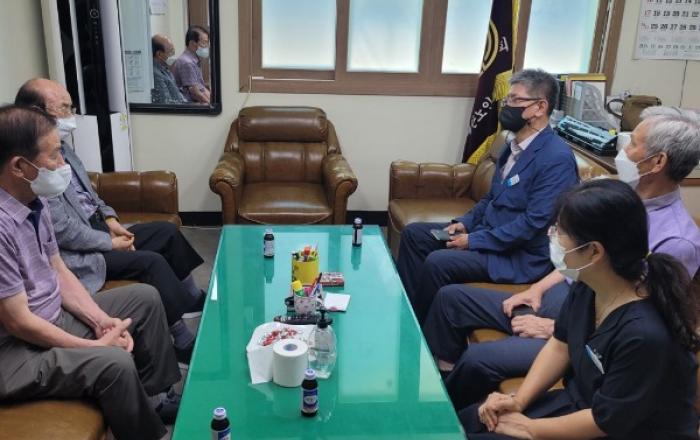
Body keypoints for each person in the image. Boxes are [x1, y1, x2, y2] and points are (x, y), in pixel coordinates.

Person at [424, 105, 700, 410]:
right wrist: (537, 288)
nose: (623, 150)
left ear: (658, 161)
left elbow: (636, 321)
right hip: (565, 299)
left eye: (633, 143)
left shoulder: (678, 241)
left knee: (479, 358)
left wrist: (553, 327)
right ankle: (437, 389)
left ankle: (446, 418)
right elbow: (581, 257)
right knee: (451, 300)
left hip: (588, 332)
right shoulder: (620, 196)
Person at [461, 178, 699, 439]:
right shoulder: (588, 285)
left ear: (594, 251)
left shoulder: (645, 335)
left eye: (560, 231)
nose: (552, 237)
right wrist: (519, 401)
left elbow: (605, 421)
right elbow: (560, 345)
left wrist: (528, 428)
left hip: (622, 430)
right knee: (469, 421)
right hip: (583, 405)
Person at [0, 105, 181, 440]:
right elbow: (19, 323)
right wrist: (94, 346)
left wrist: (101, 321)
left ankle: (154, 400)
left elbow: (58, 270)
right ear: (19, 166)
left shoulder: (34, 201)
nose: (63, 165)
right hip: (13, 351)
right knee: (114, 362)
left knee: (145, 298)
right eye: (54, 155)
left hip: (51, 317)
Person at [14, 78, 205, 363]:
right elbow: (63, 230)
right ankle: (182, 339)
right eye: (64, 108)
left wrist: (111, 219)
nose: (71, 115)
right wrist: (110, 242)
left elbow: (91, 195)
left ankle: (192, 299)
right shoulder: (37, 170)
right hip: (81, 251)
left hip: (98, 228)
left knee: (165, 232)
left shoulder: (63, 149)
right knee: (151, 262)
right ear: (36, 113)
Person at [396, 69, 579, 324]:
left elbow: (533, 223)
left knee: (439, 262)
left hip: (517, 256)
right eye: (507, 99)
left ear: (540, 107)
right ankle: (407, 313)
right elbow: (491, 198)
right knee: (415, 234)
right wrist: (465, 223)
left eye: (515, 100)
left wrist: (474, 240)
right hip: (490, 234)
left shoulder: (556, 158)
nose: (506, 106)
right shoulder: (512, 146)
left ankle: (421, 332)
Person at [172, 25, 211, 104]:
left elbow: (201, 88)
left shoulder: (194, 61)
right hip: (190, 107)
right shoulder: (187, 63)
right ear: (192, 43)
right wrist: (211, 106)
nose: (207, 46)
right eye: (204, 42)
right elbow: (196, 93)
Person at [151, 34, 186, 104]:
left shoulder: (165, 68)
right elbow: (166, 103)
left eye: (173, 51)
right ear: (159, 54)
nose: (173, 55)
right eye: (171, 52)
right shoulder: (156, 74)